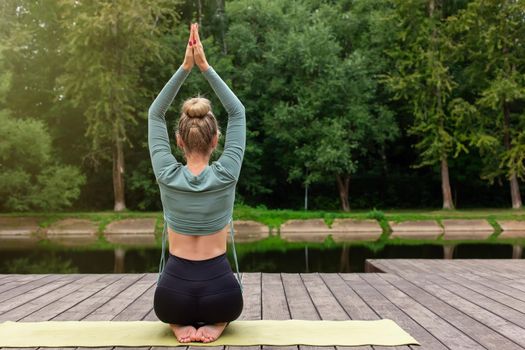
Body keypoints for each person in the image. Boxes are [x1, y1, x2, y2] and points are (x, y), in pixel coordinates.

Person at [148, 22, 246, 343]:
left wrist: (184, 68)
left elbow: (155, 113)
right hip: (223, 294)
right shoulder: (226, 173)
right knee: (227, 305)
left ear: (178, 141)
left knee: (171, 307)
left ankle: (178, 325)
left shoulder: (167, 174)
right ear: (216, 140)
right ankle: (217, 324)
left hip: (171, 297)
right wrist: (205, 67)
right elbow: (237, 112)